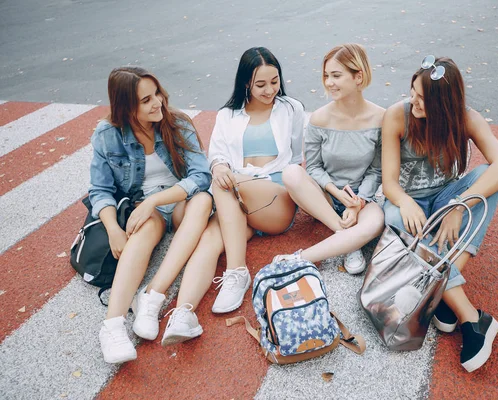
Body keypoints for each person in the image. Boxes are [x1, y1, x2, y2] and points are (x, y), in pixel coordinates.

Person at [381, 55, 498, 372]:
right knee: (393, 218)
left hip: (447, 198)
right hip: (410, 202)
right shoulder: (397, 116)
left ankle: (440, 293)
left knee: (489, 175)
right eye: (412, 92)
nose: (413, 102)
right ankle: (472, 317)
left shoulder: (466, 118)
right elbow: (389, 183)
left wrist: (461, 206)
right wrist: (404, 201)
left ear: (445, 105)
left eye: (422, 99)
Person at [90, 67, 213, 364]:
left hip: (179, 200)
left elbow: (200, 176)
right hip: (146, 208)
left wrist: (156, 199)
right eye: (146, 100)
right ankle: (112, 326)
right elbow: (100, 190)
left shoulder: (177, 123)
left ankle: (152, 296)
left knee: (203, 201)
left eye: (156, 93)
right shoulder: (107, 135)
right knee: (144, 229)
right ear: (126, 106)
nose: (157, 102)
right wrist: (113, 230)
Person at [207, 47, 304, 313]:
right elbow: (217, 154)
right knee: (210, 240)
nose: (270, 90)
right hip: (239, 200)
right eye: (260, 84)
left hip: (276, 198)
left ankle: (237, 271)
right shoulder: (227, 115)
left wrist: (222, 171)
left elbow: (296, 158)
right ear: (245, 82)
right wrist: (218, 166)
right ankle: (181, 309)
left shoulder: (291, 109)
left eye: (275, 82)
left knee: (223, 182)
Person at [275, 43, 385, 273]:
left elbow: (376, 171)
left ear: (358, 76)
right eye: (326, 76)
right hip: (324, 196)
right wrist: (337, 194)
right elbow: (313, 168)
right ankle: (346, 237)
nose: (328, 83)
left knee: (376, 222)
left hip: (361, 199)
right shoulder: (319, 119)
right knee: (292, 172)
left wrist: (357, 203)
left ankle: (298, 259)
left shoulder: (380, 118)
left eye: (336, 75)